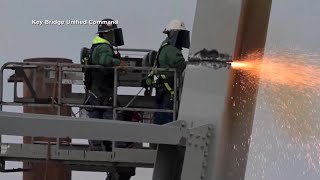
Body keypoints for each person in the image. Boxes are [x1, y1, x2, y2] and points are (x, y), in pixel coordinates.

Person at [84, 18, 135, 180]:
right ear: (108, 33)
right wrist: (119, 63)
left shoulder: (96, 45)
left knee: (96, 123)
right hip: (103, 94)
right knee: (112, 122)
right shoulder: (104, 47)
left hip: (95, 93)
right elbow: (105, 61)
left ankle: (99, 148)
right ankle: (116, 150)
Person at [153, 20, 190, 125]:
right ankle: (164, 137)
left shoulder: (165, 46)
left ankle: (159, 135)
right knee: (167, 114)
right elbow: (180, 64)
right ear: (175, 34)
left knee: (162, 112)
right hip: (168, 86)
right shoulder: (171, 50)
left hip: (163, 85)